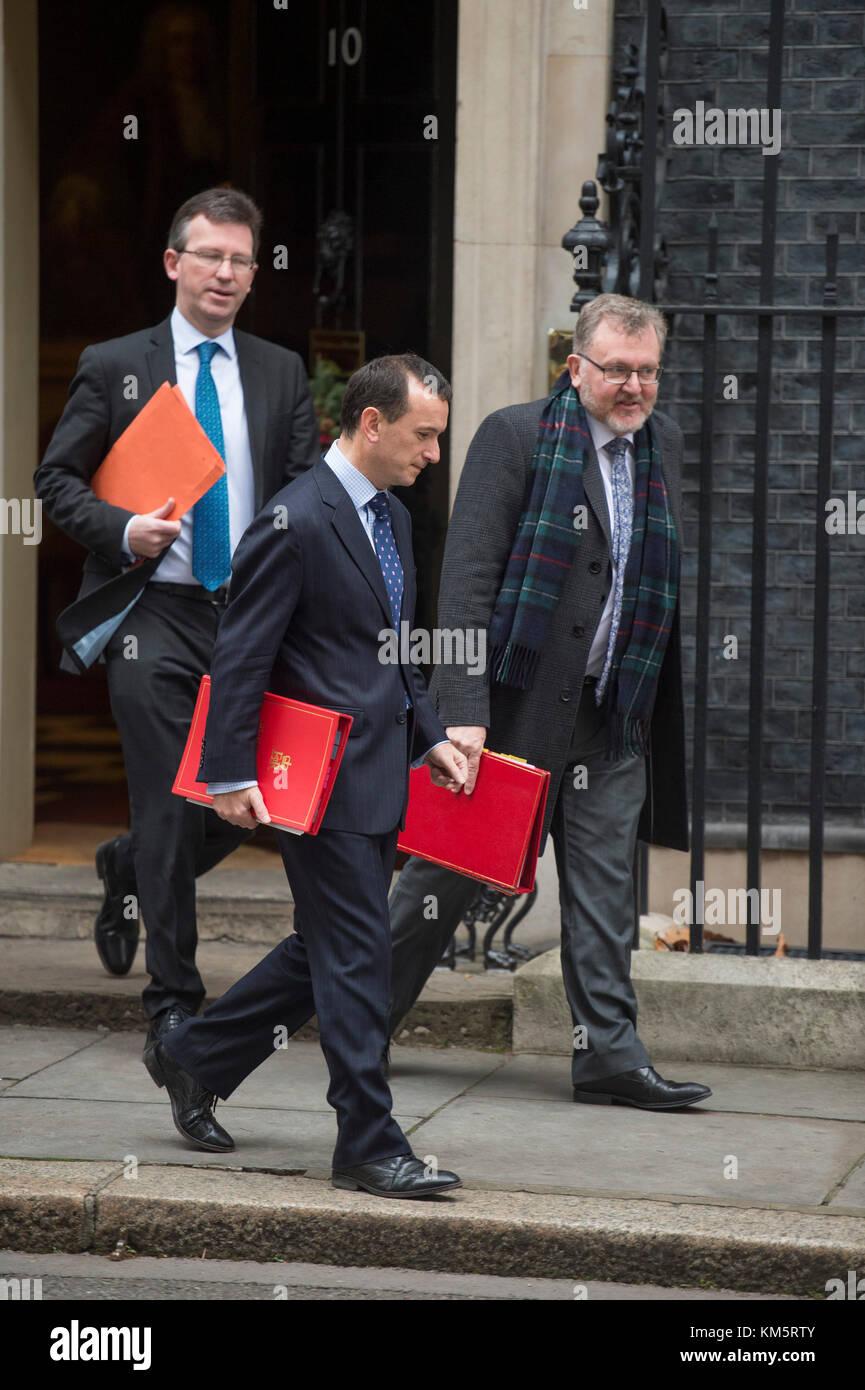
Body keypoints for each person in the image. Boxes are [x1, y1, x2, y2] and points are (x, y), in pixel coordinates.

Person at [144, 354, 467, 1198]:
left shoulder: (391, 519)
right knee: (357, 954)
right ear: (371, 423)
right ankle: (367, 1141)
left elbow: (395, 650)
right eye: (422, 435)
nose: (432, 453)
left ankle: (193, 1055)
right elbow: (241, 655)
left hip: (375, 776)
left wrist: (428, 735)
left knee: (324, 945)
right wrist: (225, 772)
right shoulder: (295, 519)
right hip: (315, 784)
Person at [388, 294, 712, 1112]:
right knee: (441, 886)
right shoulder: (514, 435)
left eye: (646, 372)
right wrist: (460, 708)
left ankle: (608, 1054)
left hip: (610, 717)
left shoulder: (662, 443)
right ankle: (360, 1018)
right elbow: (463, 583)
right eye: (616, 371)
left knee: (604, 899)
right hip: (508, 715)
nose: (633, 387)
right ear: (576, 368)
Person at [34, 187, 320, 1051]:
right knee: (169, 798)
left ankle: (127, 868)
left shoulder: (280, 370)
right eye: (211, 257)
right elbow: (56, 481)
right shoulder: (114, 362)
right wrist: (122, 530)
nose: (226, 274)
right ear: (174, 263)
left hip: (247, 617)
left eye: (242, 260)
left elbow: (305, 490)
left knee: (254, 798)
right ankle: (174, 1000)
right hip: (150, 608)